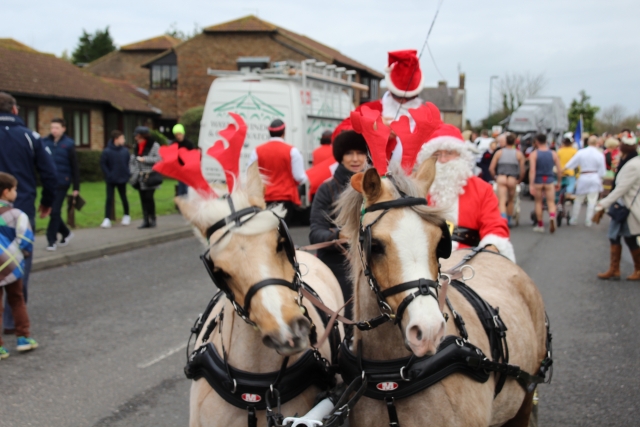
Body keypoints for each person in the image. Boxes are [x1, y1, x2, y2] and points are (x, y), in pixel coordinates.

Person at [0, 92, 57, 335]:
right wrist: (47, 201)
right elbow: (50, 173)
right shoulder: (30, 136)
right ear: (14, 110)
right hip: (19, 210)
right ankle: (13, 320)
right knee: (19, 260)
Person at [417, 124, 516, 262]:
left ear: (461, 156)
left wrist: (491, 247)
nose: (443, 159)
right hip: (422, 258)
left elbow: (494, 225)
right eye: (437, 154)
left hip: (467, 260)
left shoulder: (482, 189)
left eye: (449, 153)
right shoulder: (415, 187)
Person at [309, 130, 368, 318]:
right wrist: (338, 236)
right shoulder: (326, 189)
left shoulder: (376, 188)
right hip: (337, 263)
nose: (355, 159)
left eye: (360, 153)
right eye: (349, 153)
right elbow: (315, 233)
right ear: (341, 157)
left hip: (370, 262)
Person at [0, 172, 38, 358]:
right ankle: (23, 337)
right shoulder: (17, 214)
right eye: (15, 189)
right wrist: (23, 253)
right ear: (6, 192)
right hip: (11, 264)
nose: (16, 192)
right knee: (16, 299)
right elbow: (25, 239)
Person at [593, 135, 640, 280]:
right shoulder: (630, 162)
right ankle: (616, 269)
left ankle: (626, 269)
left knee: (625, 238)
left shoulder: (632, 165)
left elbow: (621, 188)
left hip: (626, 208)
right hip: (623, 207)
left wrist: (603, 204)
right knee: (620, 237)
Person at [247, 119, 308, 225]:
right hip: (285, 198)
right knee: (283, 231)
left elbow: (250, 173)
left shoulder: (257, 150)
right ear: (284, 132)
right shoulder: (292, 151)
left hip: (264, 198)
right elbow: (299, 177)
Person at [42, 118, 80, 251]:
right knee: (53, 212)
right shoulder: (44, 142)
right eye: (52, 127)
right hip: (49, 183)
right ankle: (66, 232)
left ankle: (51, 240)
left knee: (55, 211)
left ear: (63, 129)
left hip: (63, 182)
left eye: (57, 127)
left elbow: (74, 166)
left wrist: (76, 187)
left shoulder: (68, 144)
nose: (54, 130)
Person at [562, 135, 606, 226]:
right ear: (596, 143)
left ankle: (574, 218)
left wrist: (563, 169)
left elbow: (571, 163)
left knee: (578, 199)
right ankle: (588, 220)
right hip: (594, 176)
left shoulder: (581, 152)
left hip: (583, 176)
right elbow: (602, 170)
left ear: (588, 142)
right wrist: (600, 177)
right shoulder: (600, 154)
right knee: (592, 200)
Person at [528, 133, 563, 233]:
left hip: (538, 180)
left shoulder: (534, 154)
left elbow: (532, 170)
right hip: (549, 179)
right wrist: (559, 181)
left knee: (538, 202)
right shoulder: (553, 153)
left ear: (537, 142)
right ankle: (552, 217)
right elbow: (559, 170)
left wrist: (531, 184)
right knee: (551, 202)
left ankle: (540, 225)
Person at [489, 133, 525, 225]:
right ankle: (509, 220)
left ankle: (503, 219)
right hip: (512, 178)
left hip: (501, 177)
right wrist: (519, 180)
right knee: (511, 200)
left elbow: (491, 168)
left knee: (502, 200)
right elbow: (522, 170)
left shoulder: (499, 152)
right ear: (514, 142)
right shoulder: (518, 154)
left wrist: (495, 177)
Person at [129, 126, 162, 229]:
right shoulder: (136, 146)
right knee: (143, 198)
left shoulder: (154, 145)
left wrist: (145, 159)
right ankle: (145, 220)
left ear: (142, 136)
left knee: (149, 198)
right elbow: (133, 160)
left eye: (137, 135)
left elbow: (159, 159)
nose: (135, 137)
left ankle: (153, 219)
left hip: (150, 176)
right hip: (140, 177)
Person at [100, 130, 131, 229]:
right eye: (122, 138)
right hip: (111, 179)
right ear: (116, 139)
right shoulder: (107, 151)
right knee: (109, 198)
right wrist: (108, 175)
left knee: (123, 197)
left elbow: (128, 163)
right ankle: (107, 218)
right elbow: (103, 164)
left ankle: (126, 215)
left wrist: (127, 174)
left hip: (122, 178)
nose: (124, 140)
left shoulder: (125, 151)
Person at [171, 124, 195, 196]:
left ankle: (187, 201)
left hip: (187, 168)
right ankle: (181, 201)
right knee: (181, 187)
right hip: (179, 168)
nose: (178, 136)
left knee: (186, 187)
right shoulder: (174, 143)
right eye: (177, 135)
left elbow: (193, 155)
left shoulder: (189, 143)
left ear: (183, 133)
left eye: (180, 134)